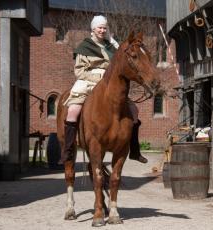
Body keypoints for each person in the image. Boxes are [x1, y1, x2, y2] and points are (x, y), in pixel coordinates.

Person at [61, 15, 148, 164]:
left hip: (110, 84)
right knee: (73, 110)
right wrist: (98, 78)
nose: (102, 30)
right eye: (99, 28)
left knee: (134, 111)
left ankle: (134, 150)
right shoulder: (84, 47)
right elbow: (79, 71)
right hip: (88, 81)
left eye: (104, 28)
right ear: (93, 29)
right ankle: (68, 151)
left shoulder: (111, 46)